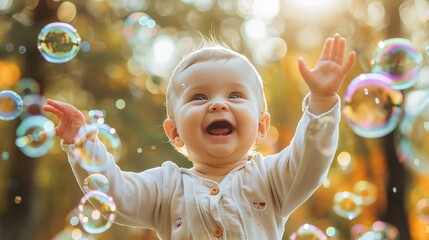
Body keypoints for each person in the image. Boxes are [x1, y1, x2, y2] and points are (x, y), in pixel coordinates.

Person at [43, 33, 355, 239]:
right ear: (175, 131)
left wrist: (322, 103)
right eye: (199, 97)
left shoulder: (271, 179)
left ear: (261, 126)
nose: (218, 103)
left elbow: (309, 159)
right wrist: (82, 141)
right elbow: (115, 193)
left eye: (235, 95)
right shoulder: (165, 187)